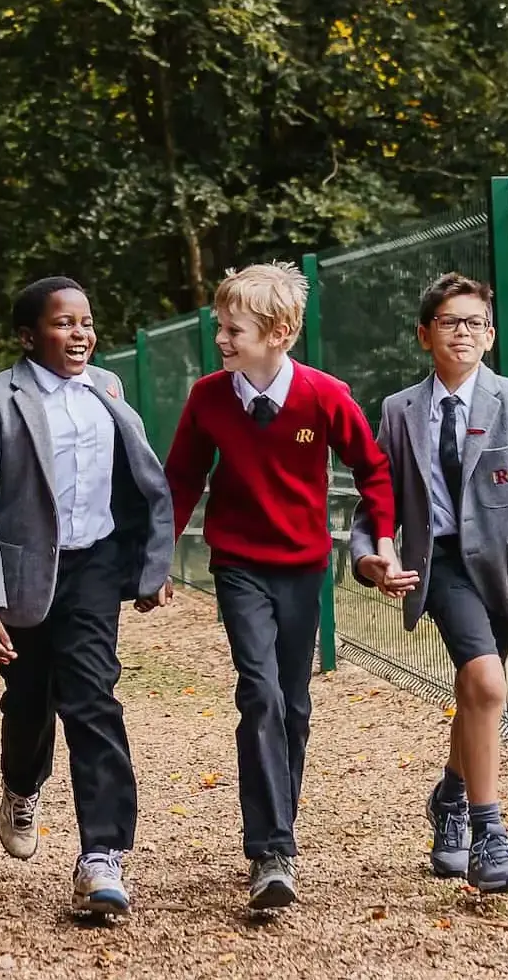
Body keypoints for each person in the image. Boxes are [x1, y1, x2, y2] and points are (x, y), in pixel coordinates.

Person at [162, 261, 394, 912]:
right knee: (258, 693)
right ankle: (271, 850)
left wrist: (377, 541)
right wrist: (156, 559)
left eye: (233, 329)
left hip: (304, 568)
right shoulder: (208, 397)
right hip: (238, 566)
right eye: (220, 327)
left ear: (280, 333)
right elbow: (180, 479)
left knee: (292, 703)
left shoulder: (324, 396)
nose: (222, 340)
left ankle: (277, 834)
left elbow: (373, 470)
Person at [350, 272, 508, 894]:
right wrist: (368, 555)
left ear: (490, 335)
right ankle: (489, 834)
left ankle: (450, 797)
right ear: (425, 334)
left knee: (478, 694)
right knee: (485, 681)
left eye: (476, 323)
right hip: (443, 562)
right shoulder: (399, 411)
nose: (465, 333)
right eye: (451, 322)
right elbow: (379, 499)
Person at [0, 276, 176, 918]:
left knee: (92, 700)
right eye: (63, 323)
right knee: (28, 701)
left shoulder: (107, 388)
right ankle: (22, 785)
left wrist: (148, 564)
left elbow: (135, 486)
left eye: (85, 321)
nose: (80, 333)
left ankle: (101, 855)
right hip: (25, 575)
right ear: (29, 336)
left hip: (96, 568)